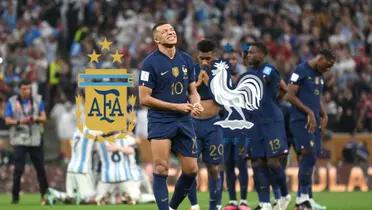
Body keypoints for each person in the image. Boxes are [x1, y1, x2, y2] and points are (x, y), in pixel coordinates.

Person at [138, 22, 203, 210]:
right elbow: (144, 98)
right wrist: (176, 106)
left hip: (184, 119)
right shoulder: (149, 63)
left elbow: (192, 91)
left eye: (172, 30)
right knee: (160, 168)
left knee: (191, 170)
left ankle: (173, 207)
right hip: (160, 119)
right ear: (156, 39)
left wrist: (196, 103)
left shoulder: (186, 60)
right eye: (165, 31)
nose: (170, 32)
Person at [286, 49, 336, 210]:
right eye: (327, 66)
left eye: (330, 68)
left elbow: (315, 96)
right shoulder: (301, 70)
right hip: (301, 121)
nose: (327, 70)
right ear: (320, 58)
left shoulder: (319, 75)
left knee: (312, 157)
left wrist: (323, 114)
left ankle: (307, 198)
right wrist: (309, 112)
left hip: (314, 123)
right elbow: (289, 95)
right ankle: (302, 199)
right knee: (307, 154)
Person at [244, 42, 290, 210]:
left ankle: (285, 194)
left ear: (262, 54)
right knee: (256, 163)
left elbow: (284, 89)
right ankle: (264, 203)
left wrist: (273, 104)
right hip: (255, 123)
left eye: (252, 52)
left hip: (271, 123)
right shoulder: (249, 73)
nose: (249, 55)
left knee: (272, 162)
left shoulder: (269, 70)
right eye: (248, 53)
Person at [186, 39, 224, 210]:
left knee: (214, 167)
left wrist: (209, 83)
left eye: (208, 58)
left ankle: (214, 206)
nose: (204, 62)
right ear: (197, 55)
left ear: (214, 56)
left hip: (214, 125)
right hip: (193, 124)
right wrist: (198, 84)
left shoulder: (222, 71)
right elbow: (183, 95)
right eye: (202, 58)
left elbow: (226, 99)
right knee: (191, 168)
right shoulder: (190, 70)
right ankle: (194, 206)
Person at [4, 80, 49, 205]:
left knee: (40, 169)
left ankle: (45, 196)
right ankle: (15, 197)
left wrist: (35, 118)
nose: (26, 91)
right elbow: (7, 120)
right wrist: (20, 122)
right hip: (19, 138)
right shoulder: (12, 101)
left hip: (35, 138)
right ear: (19, 89)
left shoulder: (38, 100)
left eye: (28, 88)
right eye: (24, 89)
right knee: (18, 169)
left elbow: (44, 118)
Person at [220, 47, 251, 210]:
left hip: (241, 129)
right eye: (228, 59)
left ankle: (244, 200)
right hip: (225, 129)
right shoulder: (220, 81)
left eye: (233, 59)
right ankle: (232, 201)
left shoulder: (245, 79)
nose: (231, 62)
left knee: (242, 163)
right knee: (228, 164)